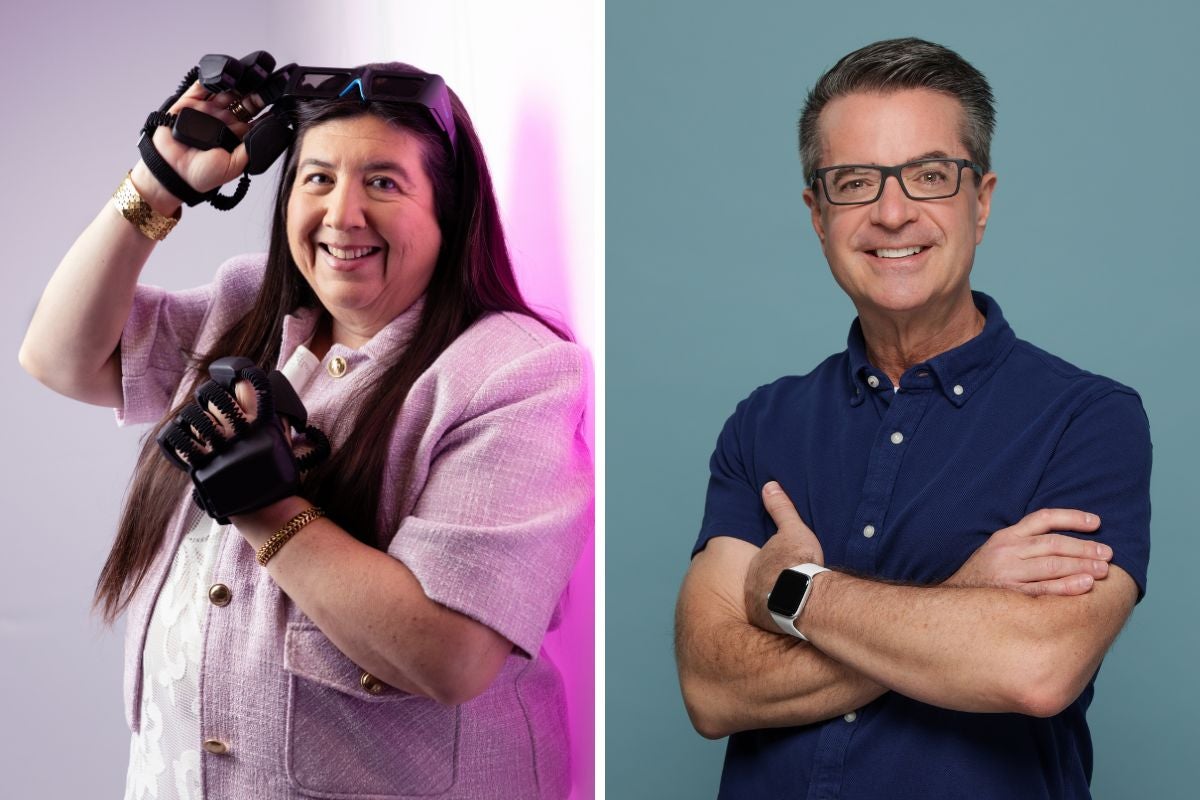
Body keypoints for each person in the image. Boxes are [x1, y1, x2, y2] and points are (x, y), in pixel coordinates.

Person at [19, 59, 591, 799]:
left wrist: (267, 508)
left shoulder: (511, 374)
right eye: (317, 178)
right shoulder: (246, 308)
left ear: (449, 212)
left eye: (383, 182)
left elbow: (450, 656)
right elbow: (59, 357)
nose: (342, 215)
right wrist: (158, 180)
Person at [674, 38, 1150, 800]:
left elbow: (1036, 668)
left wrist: (794, 593)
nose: (892, 213)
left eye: (930, 176)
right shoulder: (762, 424)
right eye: (855, 182)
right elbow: (711, 688)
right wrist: (964, 600)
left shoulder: (1088, 419)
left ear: (982, 200)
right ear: (817, 214)